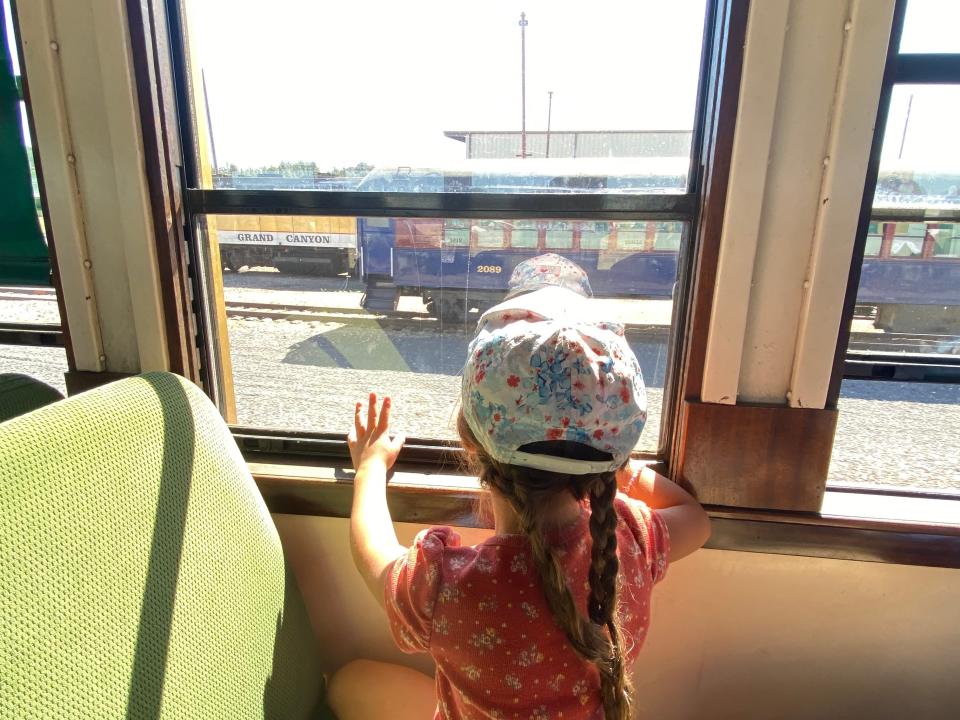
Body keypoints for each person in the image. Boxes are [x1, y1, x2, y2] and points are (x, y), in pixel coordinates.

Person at [328, 255, 711, 720]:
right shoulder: (629, 539)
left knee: (350, 682)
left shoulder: (446, 586)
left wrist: (369, 468)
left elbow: (374, 555)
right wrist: (615, 462)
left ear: (471, 441)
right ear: (610, 454)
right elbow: (696, 519)